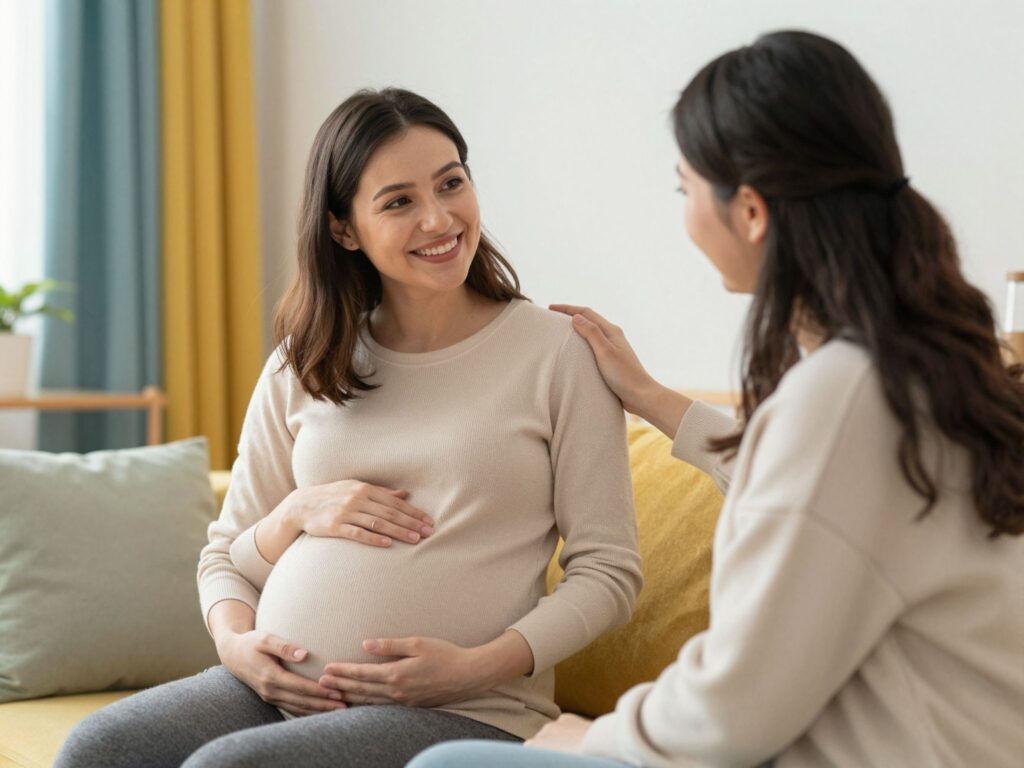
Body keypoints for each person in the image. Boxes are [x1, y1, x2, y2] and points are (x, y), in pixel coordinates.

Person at [409, 30, 1024, 768]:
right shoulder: (920, 371)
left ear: (752, 211)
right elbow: (810, 499)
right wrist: (650, 397)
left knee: (446, 764)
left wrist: (595, 737)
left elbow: (734, 709)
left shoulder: (844, 398)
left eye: (686, 188)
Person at [54, 88, 642, 768]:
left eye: (451, 183)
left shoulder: (559, 353)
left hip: (463, 709)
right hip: (271, 692)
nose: (438, 218)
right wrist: (238, 643)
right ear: (343, 230)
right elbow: (225, 557)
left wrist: (478, 666)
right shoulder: (304, 362)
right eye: (398, 202)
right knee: (100, 749)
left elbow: (609, 571)